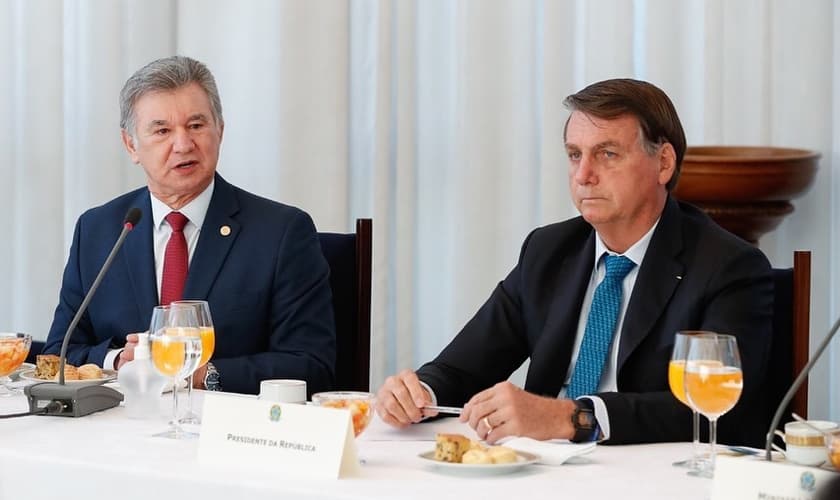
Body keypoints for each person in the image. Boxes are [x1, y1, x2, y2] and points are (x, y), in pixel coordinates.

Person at [375, 78, 773, 446]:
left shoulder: (728, 266)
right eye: (574, 155)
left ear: (663, 163)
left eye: (607, 154)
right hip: (544, 470)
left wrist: (573, 418)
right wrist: (419, 393)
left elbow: (712, 412)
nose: (584, 175)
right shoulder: (548, 250)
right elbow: (463, 368)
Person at [43, 56, 336, 395]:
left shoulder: (282, 233)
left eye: (196, 126)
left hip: (227, 434)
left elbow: (312, 364)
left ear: (220, 131)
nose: (183, 145)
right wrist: (119, 360)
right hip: (118, 432)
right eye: (162, 130)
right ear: (131, 145)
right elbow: (59, 354)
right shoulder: (99, 230)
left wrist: (197, 373)